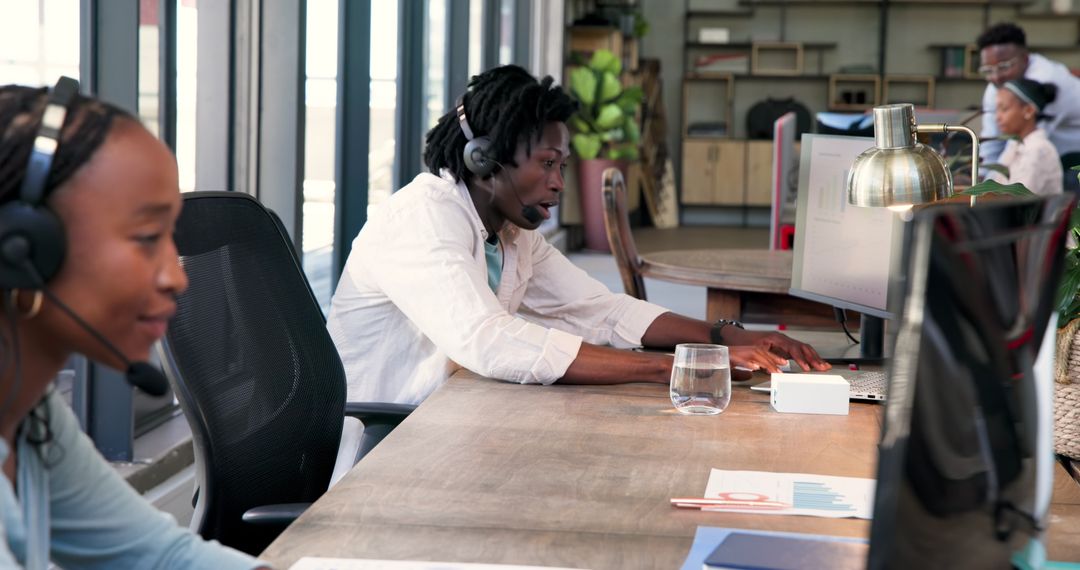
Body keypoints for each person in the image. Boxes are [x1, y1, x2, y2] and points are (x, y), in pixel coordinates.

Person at [327, 65, 830, 406]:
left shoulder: (509, 232)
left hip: (454, 417)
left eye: (562, 165)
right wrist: (678, 369)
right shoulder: (422, 219)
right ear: (484, 158)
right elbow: (489, 341)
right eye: (547, 164)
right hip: (388, 442)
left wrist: (732, 337)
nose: (559, 184)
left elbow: (601, 309)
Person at [0, 80, 262, 568]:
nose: (177, 277)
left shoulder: (29, 409)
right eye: (146, 237)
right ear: (22, 246)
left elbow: (157, 557)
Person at [976, 22, 1080, 174]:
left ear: (1024, 59)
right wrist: (980, 177)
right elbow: (991, 141)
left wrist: (989, 184)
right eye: (988, 70)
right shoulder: (998, 85)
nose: (996, 77)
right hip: (1056, 155)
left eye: (1004, 66)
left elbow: (1023, 142)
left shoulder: (1044, 81)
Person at [988, 78, 1063, 196]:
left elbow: (1018, 200)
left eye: (1004, 109)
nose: (997, 117)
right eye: (997, 110)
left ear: (1028, 110)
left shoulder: (1039, 150)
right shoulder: (1013, 145)